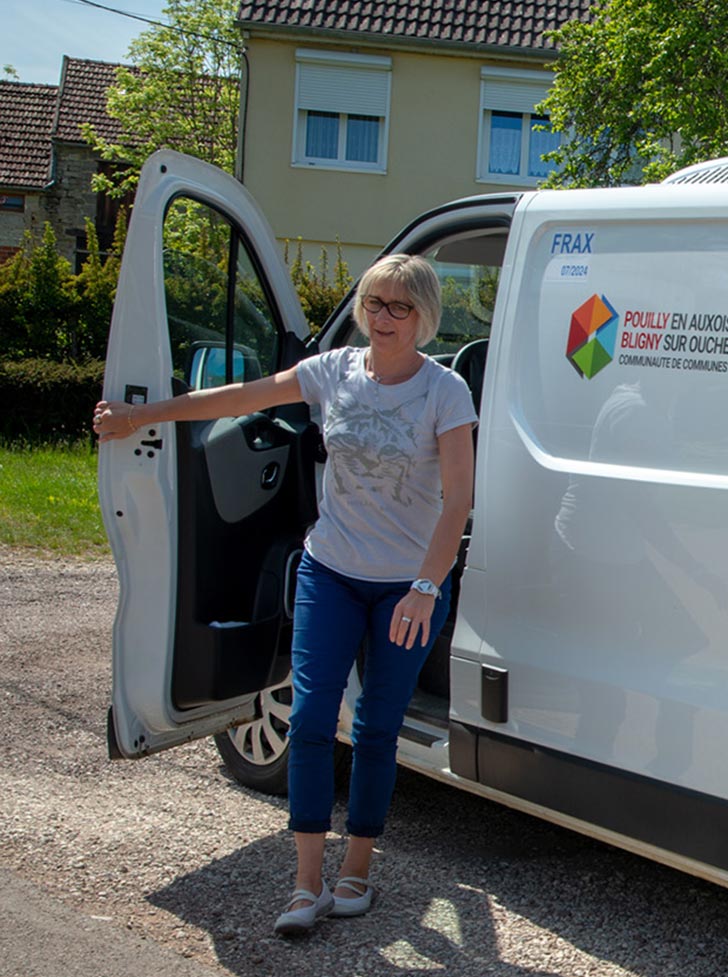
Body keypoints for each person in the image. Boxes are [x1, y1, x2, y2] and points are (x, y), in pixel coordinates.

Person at [95, 254, 477, 936]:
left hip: (404, 588)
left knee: (376, 731)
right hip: (329, 570)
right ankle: (306, 885)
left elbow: (459, 500)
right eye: (374, 303)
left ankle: (356, 869)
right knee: (308, 722)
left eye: (400, 307)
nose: (383, 318)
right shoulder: (333, 372)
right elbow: (237, 399)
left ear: (424, 317)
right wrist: (140, 416)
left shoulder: (444, 391)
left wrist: (427, 585)